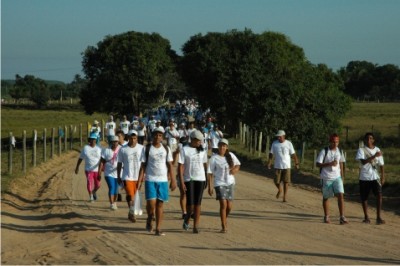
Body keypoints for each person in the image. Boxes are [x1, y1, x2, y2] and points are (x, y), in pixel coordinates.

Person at [138, 127, 177, 236]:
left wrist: (173, 180)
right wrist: (140, 180)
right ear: (152, 136)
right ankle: (150, 217)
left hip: (163, 180)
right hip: (150, 179)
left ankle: (158, 228)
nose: (157, 137)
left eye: (160, 135)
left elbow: (170, 165)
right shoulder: (147, 148)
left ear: (162, 137)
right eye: (156, 134)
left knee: (160, 204)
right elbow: (143, 166)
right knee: (151, 204)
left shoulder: (166, 148)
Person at [207, 138, 240, 233]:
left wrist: (235, 170)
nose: (222, 147)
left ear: (227, 147)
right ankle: (223, 225)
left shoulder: (231, 156)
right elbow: (210, 173)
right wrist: (210, 186)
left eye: (224, 146)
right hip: (219, 183)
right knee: (223, 204)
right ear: (218, 147)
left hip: (230, 183)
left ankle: (224, 218)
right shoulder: (214, 158)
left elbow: (238, 165)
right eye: (221, 145)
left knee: (229, 206)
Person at [179, 130, 208, 234]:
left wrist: (207, 179)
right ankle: (187, 218)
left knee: (198, 204)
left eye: (201, 141)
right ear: (193, 139)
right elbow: (181, 166)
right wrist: (181, 182)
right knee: (190, 205)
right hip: (189, 179)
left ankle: (196, 226)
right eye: (198, 140)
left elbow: (205, 165)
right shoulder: (184, 150)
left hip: (200, 179)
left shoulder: (202, 150)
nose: (200, 142)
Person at [316, 134, 349, 224]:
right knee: (326, 197)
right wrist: (329, 164)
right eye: (333, 142)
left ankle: (342, 216)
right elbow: (318, 164)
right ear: (330, 142)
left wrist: (342, 176)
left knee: (341, 195)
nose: (335, 144)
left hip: (337, 177)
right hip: (326, 177)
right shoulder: (324, 151)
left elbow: (341, 163)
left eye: (337, 142)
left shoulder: (340, 151)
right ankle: (326, 216)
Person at [355, 132, 385, 225]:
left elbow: (381, 164)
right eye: (367, 138)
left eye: (370, 138)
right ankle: (366, 217)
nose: (369, 140)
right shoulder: (361, 150)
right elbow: (363, 162)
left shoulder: (377, 149)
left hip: (375, 176)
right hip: (364, 177)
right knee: (364, 197)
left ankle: (378, 217)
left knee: (379, 195)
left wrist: (383, 176)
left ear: (373, 140)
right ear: (365, 140)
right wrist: (374, 156)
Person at [117, 130, 144, 222]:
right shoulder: (123, 149)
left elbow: (144, 163)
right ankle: (132, 212)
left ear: (137, 138)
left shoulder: (142, 148)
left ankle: (130, 211)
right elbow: (119, 163)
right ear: (128, 138)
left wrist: (144, 174)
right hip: (127, 176)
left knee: (135, 196)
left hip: (138, 176)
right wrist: (118, 176)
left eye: (135, 138)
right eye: (131, 138)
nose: (133, 140)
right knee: (130, 195)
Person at [267, 130, 299, 202]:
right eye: (278, 137)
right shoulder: (274, 143)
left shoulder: (289, 143)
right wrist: (269, 162)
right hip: (277, 165)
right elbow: (271, 154)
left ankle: (285, 197)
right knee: (276, 181)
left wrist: (296, 163)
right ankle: (280, 189)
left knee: (286, 181)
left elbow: (293, 154)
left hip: (287, 166)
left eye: (280, 137)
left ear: (284, 136)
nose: (278, 138)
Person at [75, 133, 102, 202]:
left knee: (98, 185)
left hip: (97, 170)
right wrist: (77, 167)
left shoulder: (99, 148)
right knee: (89, 182)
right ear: (89, 140)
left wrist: (102, 168)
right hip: (88, 170)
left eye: (94, 140)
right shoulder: (85, 148)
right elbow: (80, 158)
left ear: (96, 140)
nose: (93, 141)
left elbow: (102, 159)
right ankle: (91, 196)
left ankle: (93, 192)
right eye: (92, 139)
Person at [98, 136, 121, 210]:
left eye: (116, 141)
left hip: (118, 173)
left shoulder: (121, 149)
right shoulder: (106, 150)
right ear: (111, 142)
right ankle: (111, 203)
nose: (115, 143)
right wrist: (99, 172)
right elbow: (102, 162)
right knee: (111, 187)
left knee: (116, 189)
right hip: (108, 172)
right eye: (113, 142)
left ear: (118, 142)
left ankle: (114, 202)